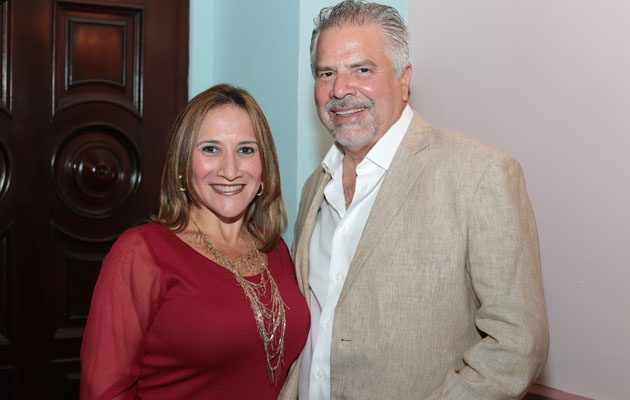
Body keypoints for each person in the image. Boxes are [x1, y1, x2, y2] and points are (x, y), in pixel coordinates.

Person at [279, 1, 549, 399]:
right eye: (326, 73)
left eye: (362, 70)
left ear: (403, 79)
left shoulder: (480, 175)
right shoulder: (315, 187)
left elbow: (517, 343)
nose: (340, 89)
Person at [80, 84, 310, 399]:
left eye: (245, 150)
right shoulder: (141, 254)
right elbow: (104, 389)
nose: (230, 170)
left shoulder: (276, 249)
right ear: (183, 163)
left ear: (264, 165)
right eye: (211, 149)